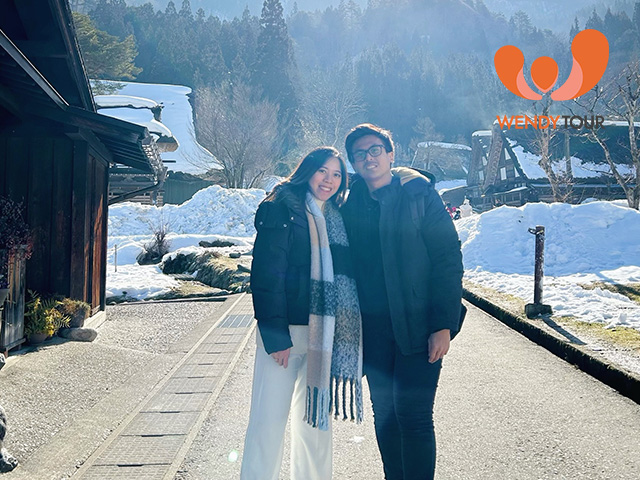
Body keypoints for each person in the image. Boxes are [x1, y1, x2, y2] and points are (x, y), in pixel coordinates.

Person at [342, 124, 464, 480]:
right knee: (385, 415)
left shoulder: (418, 195)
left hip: (418, 327)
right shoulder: (348, 203)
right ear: (354, 162)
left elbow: (447, 259)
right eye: (360, 154)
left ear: (390, 154)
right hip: (372, 332)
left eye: (375, 150)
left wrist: (443, 325)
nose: (369, 158)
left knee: (414, 417)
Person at [241, 147, 363, 480]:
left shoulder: (336, 216)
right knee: (267, 423)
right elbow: (266, 275)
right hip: (286, 334)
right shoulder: (281, 207)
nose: (329, 180)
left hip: (323, 336)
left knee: (315, 426)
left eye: (336, 174)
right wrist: (275, 337)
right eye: (323, 171)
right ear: (307, 170)